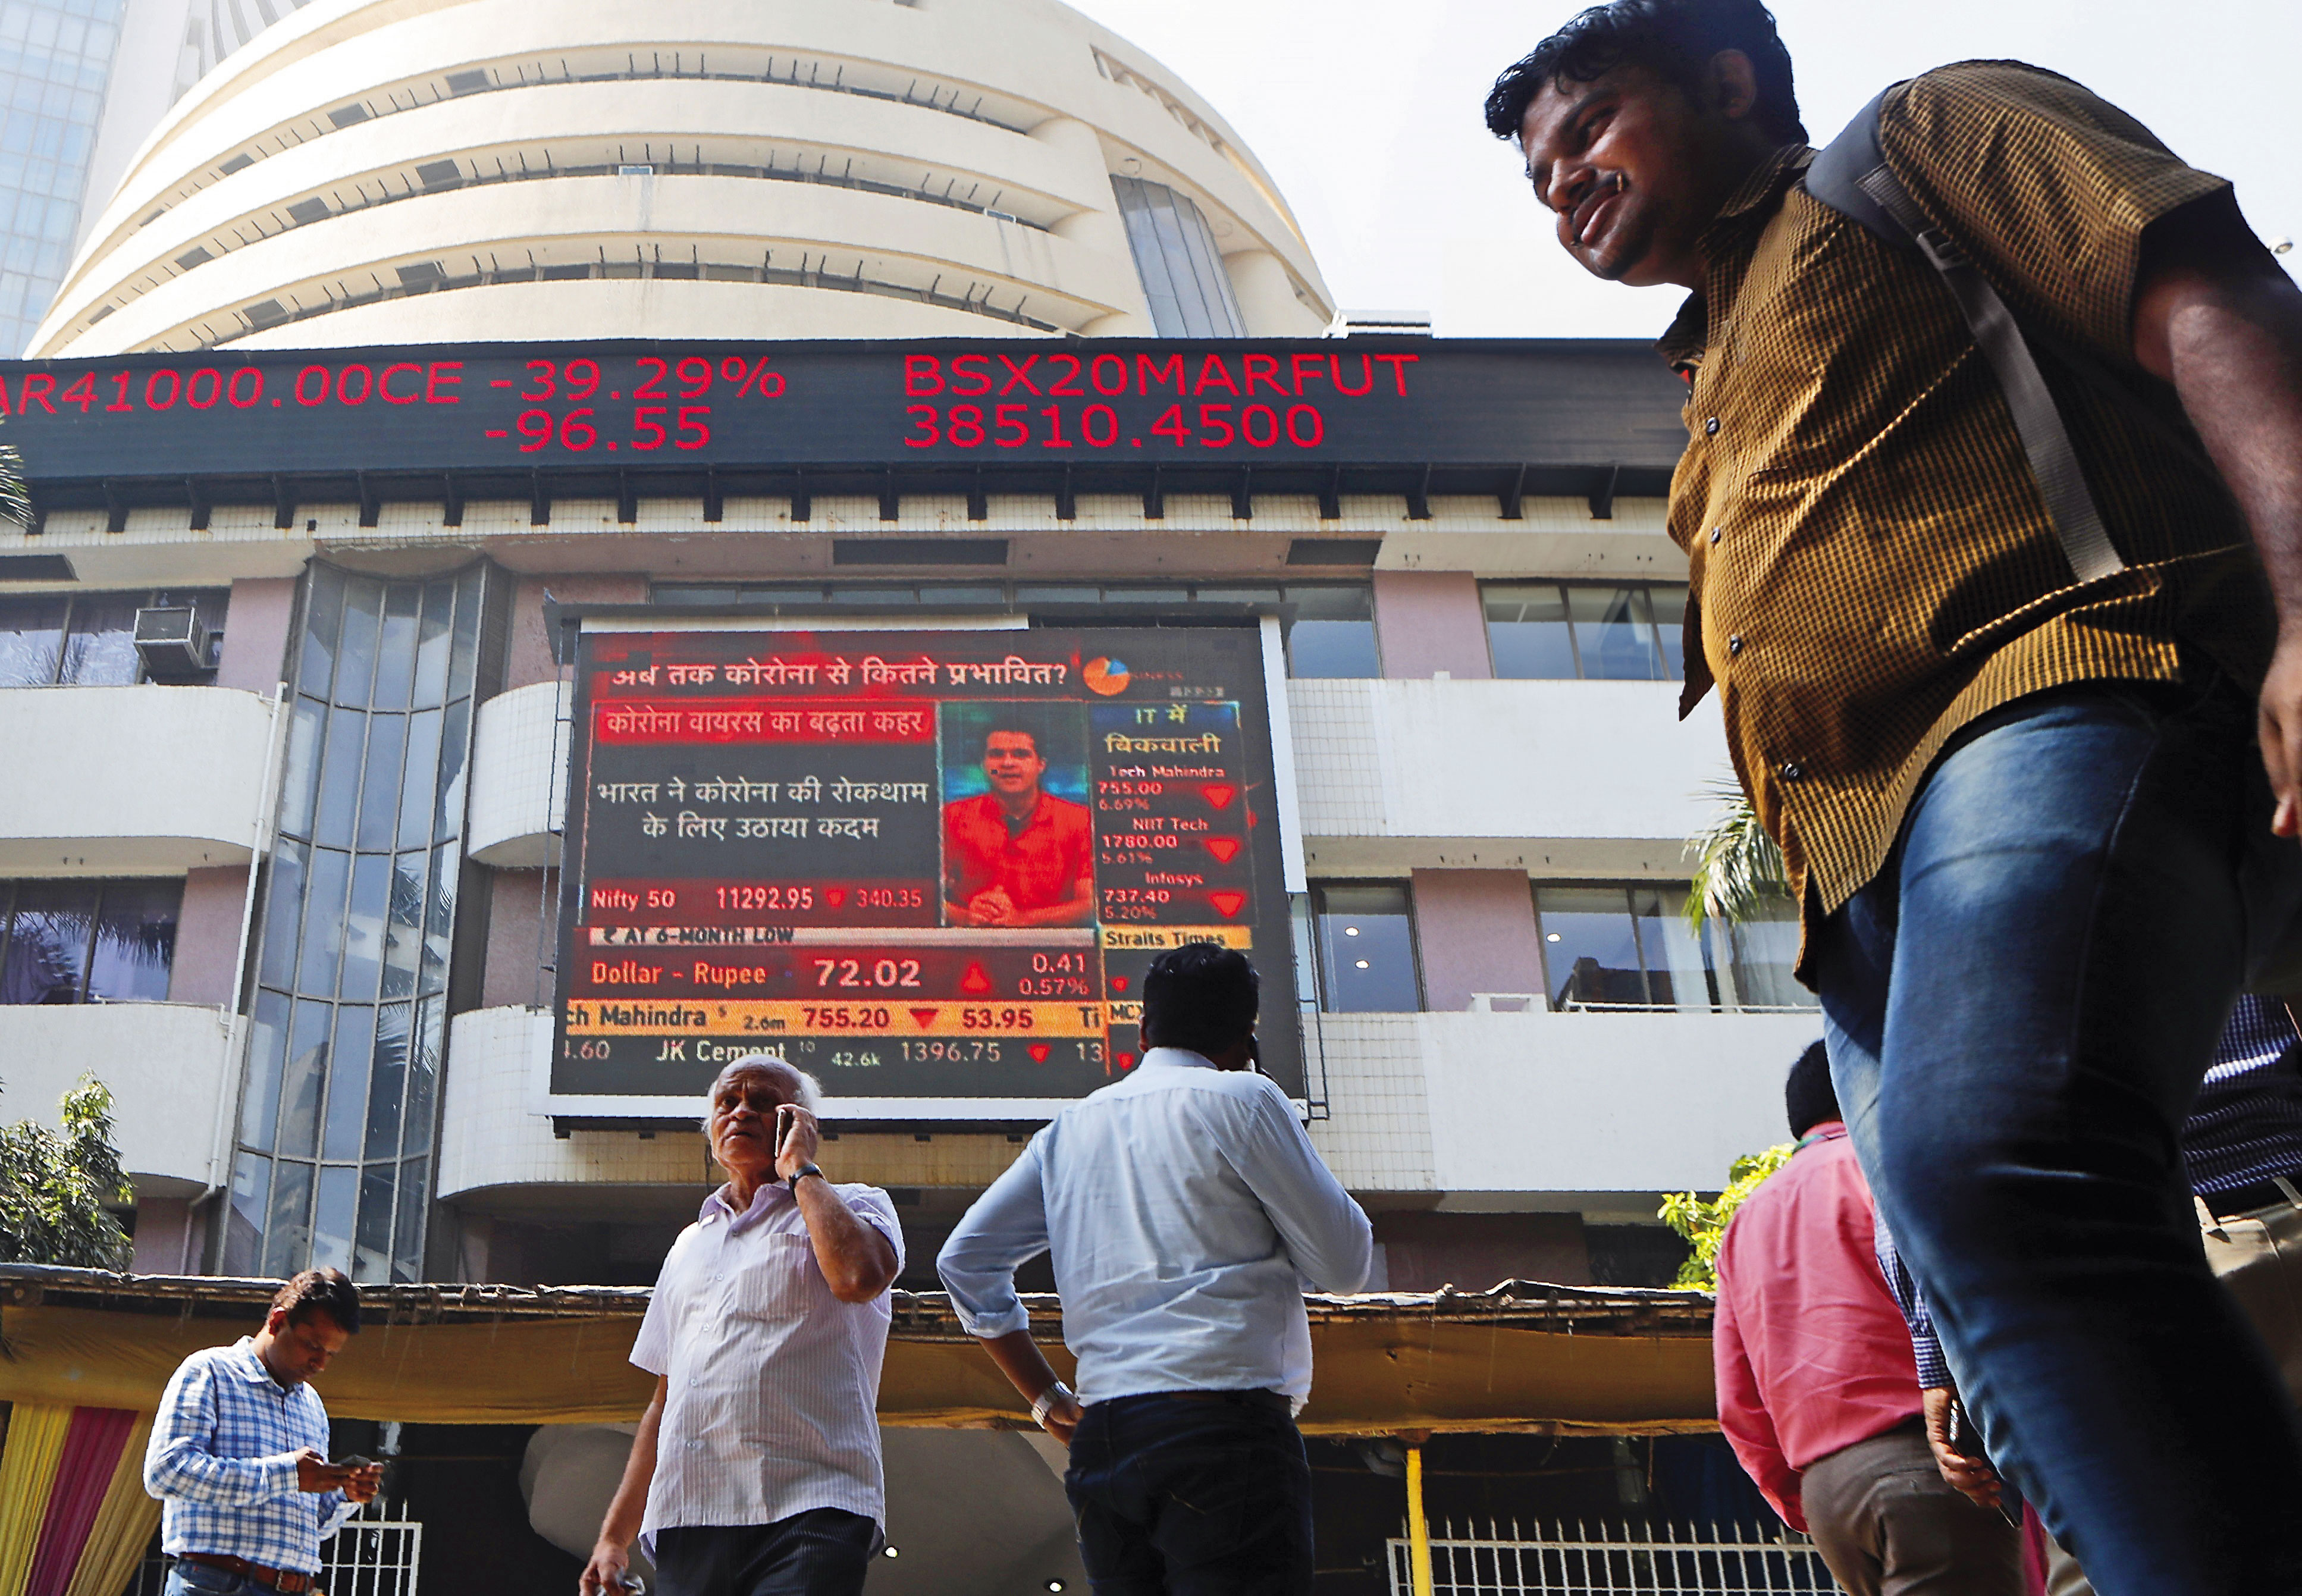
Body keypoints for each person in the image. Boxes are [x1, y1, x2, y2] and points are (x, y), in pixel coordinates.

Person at [1485, 4, 2302, 1589]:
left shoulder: (1918, 141)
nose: (1562, 182)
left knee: (1994, 1155)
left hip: (2061, 682)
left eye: (1585, 130)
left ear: (1727, 78)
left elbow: (2208, 294)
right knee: (1998, 1327)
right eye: (1535, 177)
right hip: (1856, 891)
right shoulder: (1705, 381)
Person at [936, 943, 1372, 1594]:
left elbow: (964, 1261)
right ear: (1245, 1038)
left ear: (1143, 1032)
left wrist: (1048, 1398)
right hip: (1226, 1433)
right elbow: (1345, 1266)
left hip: (1105, 1441)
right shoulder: (1245, 1099)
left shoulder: (1068, 1130)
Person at [582, 1054, 904, 1596]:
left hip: (814, 1501)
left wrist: (800, 1168)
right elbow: (665, 1399)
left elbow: (858, 1276)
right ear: (710, 1127)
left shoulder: (854, 1203)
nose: (741, 1113)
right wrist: (614, 1536)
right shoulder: (688, 1244)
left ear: (798, 1121)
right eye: (727, 1102)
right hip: (691, 1509)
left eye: (762, 1102)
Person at [1713, 1042, 2020, 1596]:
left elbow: (1739, 1403)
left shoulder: (1743, 1224)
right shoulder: (1886, 1165)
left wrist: (1803, 1498)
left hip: (1829, 1493)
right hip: (1929, 1464)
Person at [145, 1269, 382, 1596]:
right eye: (313, 1345)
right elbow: (166, 1472)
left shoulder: (312, 1405)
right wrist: (286, 1474)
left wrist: (345, 1492)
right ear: (277, 1322)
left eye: (330, 1354)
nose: (321, 1363)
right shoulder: (210, 1371)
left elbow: (310, 1525)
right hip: (217, 1584)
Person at [943, 723, 1093, 927]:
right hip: (970, 945)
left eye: (1021, 754)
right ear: (983, 764)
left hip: (1052, 950)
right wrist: (967, 916)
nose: (1008, 763)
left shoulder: (1080, 821)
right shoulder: (952, 817)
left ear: (1041, 764)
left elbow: (1090, 905)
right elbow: (925, 899)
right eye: (997, 754)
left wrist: (1021, 920)